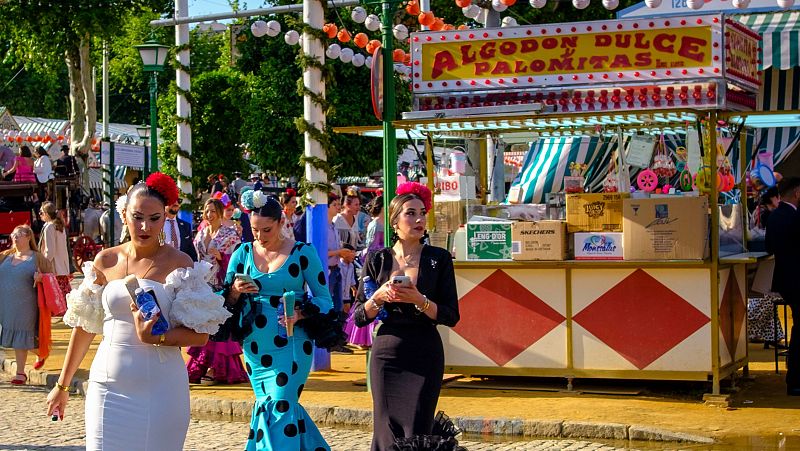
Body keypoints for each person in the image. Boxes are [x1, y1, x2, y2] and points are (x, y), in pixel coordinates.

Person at [46, 173, 230, 450]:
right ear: (124, 215)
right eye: (137, 217)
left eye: (154, 218)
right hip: (107, 386)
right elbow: (84, 327)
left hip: (162, 389)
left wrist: (159, 336)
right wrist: (62, 385)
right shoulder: (105, 260)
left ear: (166, 216)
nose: (145, 226)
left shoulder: (180, 262)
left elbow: (200, 336)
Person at [223, 189, 333, 450]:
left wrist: (301, 312)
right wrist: (236, 291)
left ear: (281, 222)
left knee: (281, 402)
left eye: (266, 230)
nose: (260, 237)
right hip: (255, 346)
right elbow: (225, 301)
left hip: (293, 341)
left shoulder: (302, 252)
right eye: (254, 230)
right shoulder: (242, 252)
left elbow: (325, 300)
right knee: (270, 405)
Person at [353, 182, 460, 450]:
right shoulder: (377, 259)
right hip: (386, 354)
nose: (419, 219)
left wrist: (420, 301)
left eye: (422, 213)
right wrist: (377, 297)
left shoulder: (439, 258)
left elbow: (451, 314)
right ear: (394, 222)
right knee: (386, 430)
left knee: (417, 427)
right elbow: (358, 316)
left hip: (424, 352)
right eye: (410, 213)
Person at [186, 198, 247, 385]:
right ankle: (201, 366)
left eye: (213, 211)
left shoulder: (229, 235)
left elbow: (238, 262)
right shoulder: (201, 232)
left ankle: (217, 367)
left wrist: (222, 257)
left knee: (219, 324)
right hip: (203, 284)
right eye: (206, 210)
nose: (209, 214)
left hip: (221, 285)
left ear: (220, 213)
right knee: (203, 323)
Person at [0, 225, 53, 384]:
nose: (15, 237)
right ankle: (42, 352)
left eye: (19, 234)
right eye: (13, 234)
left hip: (27, 305)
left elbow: (51, 276)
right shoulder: (4, 256)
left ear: (29, 237)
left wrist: (41, 278)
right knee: (15, 336)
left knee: (21, 335)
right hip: (6, 305)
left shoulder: (37, 258)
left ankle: (20, 373)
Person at [766, 176, 800, 396]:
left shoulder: (775, 216)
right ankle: (795, 378)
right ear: (797, 192)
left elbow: (769, 246)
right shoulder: (794, 217)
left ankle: (795, 376)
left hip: (786, 281)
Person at [39, 201, 71, 298]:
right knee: (65, 297)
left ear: (47, 214)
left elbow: (50, 251)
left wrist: (43, 264)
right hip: (62, 267)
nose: (39, 215)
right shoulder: (59, 225)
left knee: (56, 298)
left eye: (41, 212)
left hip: (54, 268)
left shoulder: (49, 227)